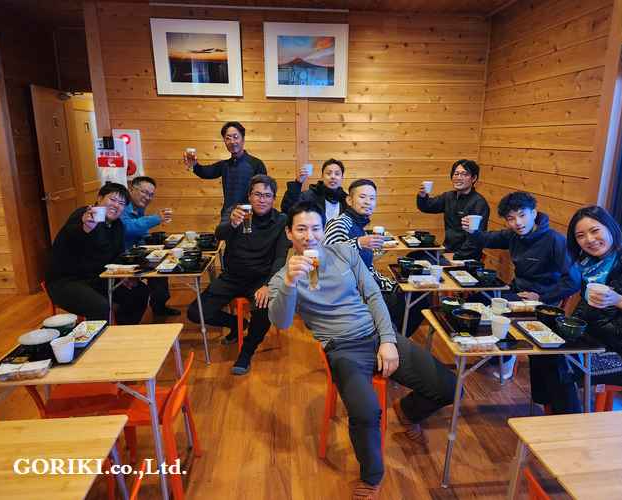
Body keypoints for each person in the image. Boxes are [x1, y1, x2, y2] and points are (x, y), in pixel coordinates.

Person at [269, 201, 455, 499]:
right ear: (289, 233)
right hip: (343, 348)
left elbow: (373, 296)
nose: (309, 236)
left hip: (376, 334)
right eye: (301, 229)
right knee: (366, 412)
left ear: (323, 230)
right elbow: (281, 321)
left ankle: (407, 411)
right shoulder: (282, 277)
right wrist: (290, 283)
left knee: (448, 387)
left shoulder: (344, 252)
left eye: (315, 228)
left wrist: (388, 339)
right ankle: (372, 476)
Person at [531, 206, 622, 414]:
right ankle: (549, 411)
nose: (589, 239)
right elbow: (586, 304)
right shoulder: (590, 265)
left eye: (595, 230)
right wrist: (565, 327)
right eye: (581, 236)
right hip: (597, 342)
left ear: (610, 228)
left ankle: (568, 424)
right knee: (541, 348)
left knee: (564, 366)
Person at [463, 191, 581, 379]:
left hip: (542, 300)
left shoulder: (554, 240)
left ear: (534, 213)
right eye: (511, 218)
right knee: (476, 300)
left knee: (494, 306)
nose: (517, 222)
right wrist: (472, 231)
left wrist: (541, 296)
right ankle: (495, 349)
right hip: (517, 292)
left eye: (522, 215)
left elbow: (574, 281)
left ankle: (506, 355)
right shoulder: (514, 235)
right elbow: (488, 238)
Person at [187, 175, 290, 375]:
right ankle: (237, 324)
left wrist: (269, 285)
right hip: (232, 276)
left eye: (267, 195)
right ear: (249, 196)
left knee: (264, 308)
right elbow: (219, 234)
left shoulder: (281, 221)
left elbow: (280, 258)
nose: (262, 199)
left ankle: (246, 352)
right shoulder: (237, 212)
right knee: (195, 312)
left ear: (273, 198)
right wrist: (232, 224)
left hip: (261, 279)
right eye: (257, 194)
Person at [324, 179, 427, 337]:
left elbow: (359, 259)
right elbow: (327, 257)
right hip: (358, 295)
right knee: (420, 298)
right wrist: (359, 242)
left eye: (372, 198)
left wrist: (378, 251)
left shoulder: (358, 225)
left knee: (418, 288)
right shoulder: (340, 223)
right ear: (349, 200)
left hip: (372, 285)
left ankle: (391, 337)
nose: (368, 202)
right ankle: (390, 338)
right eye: (362, 197)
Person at [45, 182, 149, 325]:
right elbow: (74, 235)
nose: (116, 205)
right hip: (67, 282)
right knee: (100, 307)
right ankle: (97, 339)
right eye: (112, 200)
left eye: (121, 203)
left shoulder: (117, 225)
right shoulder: (84, 215)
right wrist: (86, 228)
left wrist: (123, 275)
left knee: (139, 291)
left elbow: (118, 256)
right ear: (99, 198)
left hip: (98, 278)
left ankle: (124, 331)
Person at [183, 121, 267, 220]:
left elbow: (264, 194)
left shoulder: (256, 164)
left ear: (243, 139)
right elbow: (206, 172)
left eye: (235, 137)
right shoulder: (224, 165)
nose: (232, 142)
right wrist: (194, 165)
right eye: (228, 138)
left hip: (249, 218)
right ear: (225, 142)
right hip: (228, 217)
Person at [121, 176, 179, 317]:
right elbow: (128, 228)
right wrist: (156, 218)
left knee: (160, 265)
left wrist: (154, 247)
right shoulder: (122, 206)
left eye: (151, 195)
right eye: (144, 192)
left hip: (134, 253)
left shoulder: (138, 208)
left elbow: (141, 233)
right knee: (156, 267)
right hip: (121, 257)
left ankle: (159, 307)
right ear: (131, 189)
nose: (147, 197)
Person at [416, 159, 489, 261]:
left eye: (464, 174)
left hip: (466, 257)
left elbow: (475, 240)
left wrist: (456, 257)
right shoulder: (449, 196)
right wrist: (423, 195)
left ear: (473, 178)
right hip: (447, 251)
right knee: (414, 256)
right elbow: (427, 206)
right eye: (456, 174)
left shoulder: (478, 203)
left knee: (421, 263)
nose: (459, 177)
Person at [280, 158, 348, 227]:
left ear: (342, 177)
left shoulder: (346, 200)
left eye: (337, 174)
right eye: (328, 173)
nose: (333, 177)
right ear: (322, 176)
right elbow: (287, 209)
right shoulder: (309, 196)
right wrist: (297, 183)